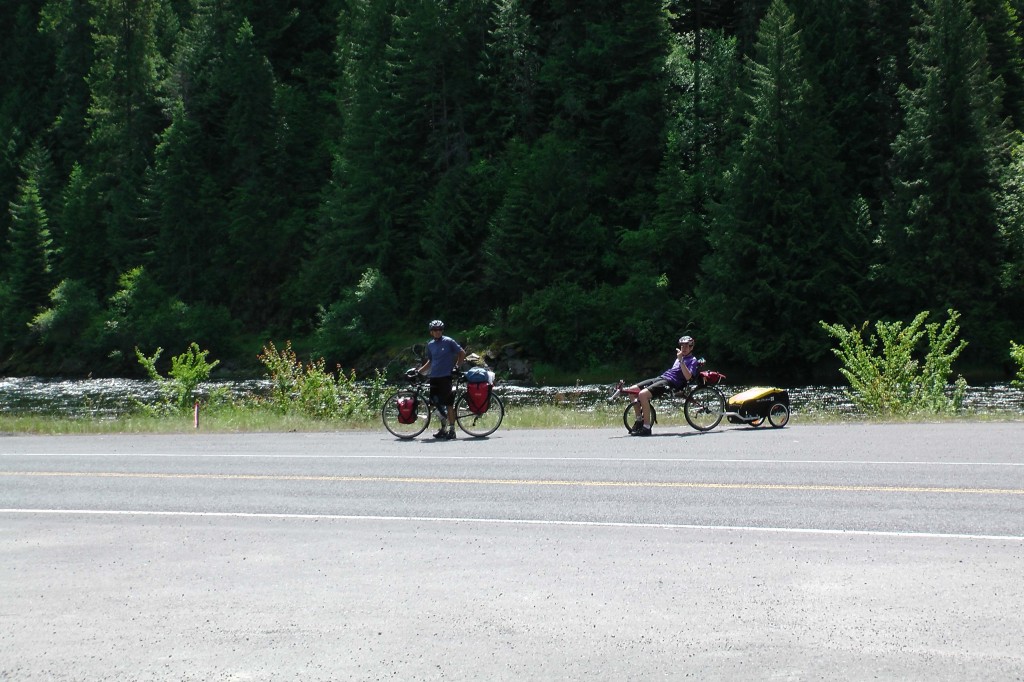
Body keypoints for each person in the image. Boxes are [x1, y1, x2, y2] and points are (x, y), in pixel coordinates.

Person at [628, 335, 702, 436]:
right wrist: (680, 359)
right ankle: (639, 421)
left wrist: (681, 360)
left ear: (691, 347)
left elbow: (688, 377)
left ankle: (646, 427)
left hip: (671, 383)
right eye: (682, 346)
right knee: (631, 391)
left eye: (686, 346)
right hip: (662, 378)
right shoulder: (679, 357)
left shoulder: (692, 360)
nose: (684, 348)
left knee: (642, 395)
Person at [417, 319, 466, 440]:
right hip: (434, 377)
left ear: (442, 331)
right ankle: (443, 429)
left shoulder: (448, 341)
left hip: (446, 377)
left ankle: (452, 430)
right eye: (435, 330)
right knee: (435, 404)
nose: (437, 332)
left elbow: (462, 353)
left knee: (448, 404)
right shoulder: (430, 345)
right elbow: (430, 361)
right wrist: (419, 371)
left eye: (439, 329)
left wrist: (457, 367)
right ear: (431, 332)